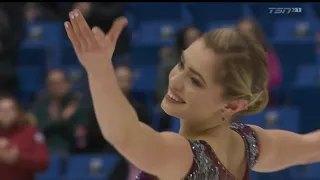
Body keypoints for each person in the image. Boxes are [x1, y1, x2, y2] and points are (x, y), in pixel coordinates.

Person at [64, 9, 320, 180]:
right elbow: (310, 148)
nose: (175, 80)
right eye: (182, 63)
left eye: (196, 81)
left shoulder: (185, 156)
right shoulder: (248, 144)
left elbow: (125, 135)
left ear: (232, 106)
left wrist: (99, 71)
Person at [31, 69, 87, 153]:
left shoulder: (78, 103)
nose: (57, 86)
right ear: (47, 86)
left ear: (68, 84)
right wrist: (63, 118)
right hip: (48, 152)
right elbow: (41, 130)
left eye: (61, 82)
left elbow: (82, 131)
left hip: (76, 151)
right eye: (53, 83)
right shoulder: (40, 106)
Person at [0, 93, 49, 180]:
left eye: (10, 110)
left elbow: (43, 162)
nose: (5, 114)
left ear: (18, 112)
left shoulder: (31, 133)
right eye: (2, 110)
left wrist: (19, 159)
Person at [236, 18, 282, 91]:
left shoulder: (268, 56)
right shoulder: (230, 56)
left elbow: (275, 79)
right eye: (240, 32)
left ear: (256, 35)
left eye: (248, 32)